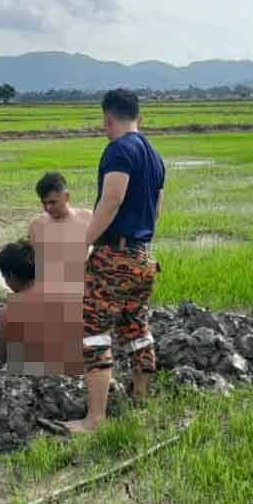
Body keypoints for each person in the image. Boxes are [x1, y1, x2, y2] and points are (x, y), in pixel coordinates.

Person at [66, 89, 165, 434]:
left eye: (104, 123)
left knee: (93, 332)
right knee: (137, 328)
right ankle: (140, 400)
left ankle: (94, 419)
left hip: (115, 256)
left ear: (108, 118)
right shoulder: (155, 156)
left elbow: (111, 199)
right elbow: (156, 209)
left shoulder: (119, 149)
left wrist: (85, 242)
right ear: (139, 116)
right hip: (143, 255)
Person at [0, 241, 84, 376]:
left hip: (29, 380)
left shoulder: (8, 313)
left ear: (11, 276)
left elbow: (1, 359)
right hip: (70, 376)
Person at [27, 171, 93, 293]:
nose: (48, 208)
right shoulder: (37, 225)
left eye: (52, 202)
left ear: (67, 196)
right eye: (44, 203)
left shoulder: (87, 219)